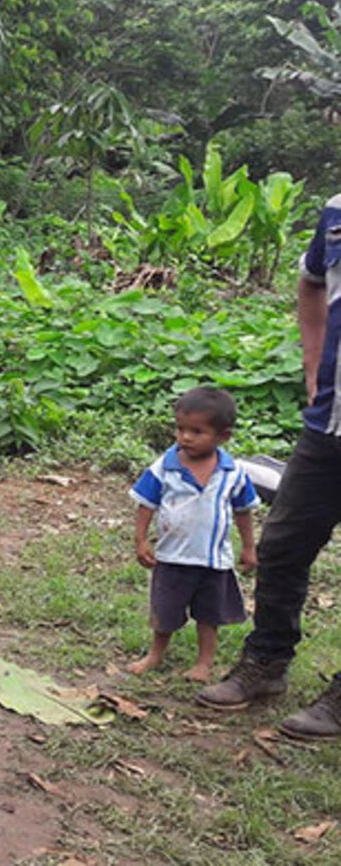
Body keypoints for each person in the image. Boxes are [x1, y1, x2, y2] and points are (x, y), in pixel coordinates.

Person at [197, 193, 341, 737]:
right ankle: (267, 662)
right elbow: (311, 282)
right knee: (281, 545)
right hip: (328, 424)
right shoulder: (335, 212)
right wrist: (312, 361)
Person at [126, 387, 259, 682]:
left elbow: (243, 511)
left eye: (197, 431)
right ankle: (156, 654)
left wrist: (249, 548)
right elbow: (146, 504)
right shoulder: (165, 467)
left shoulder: (233, 473)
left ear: (223, 436)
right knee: (165, 612)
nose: (185, 437)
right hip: (172, 557)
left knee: (209, 616)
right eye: (180, 428)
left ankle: (203, 663)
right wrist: (141, 539)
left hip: (214, 562)